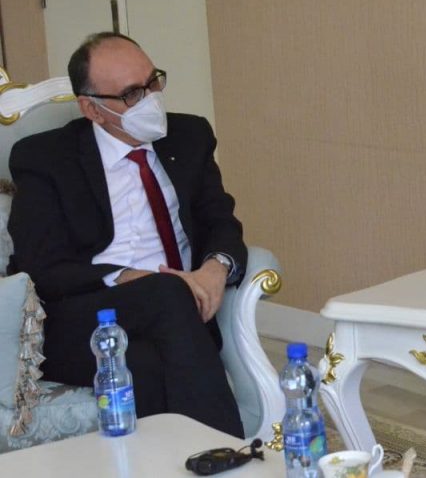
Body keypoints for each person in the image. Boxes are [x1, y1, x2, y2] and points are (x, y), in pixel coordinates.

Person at [7, 32, 247, 437]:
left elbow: (221, 220)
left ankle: (185, 460)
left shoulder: (190, 136)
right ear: (92, 109)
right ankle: (231, 453)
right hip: (82, 317)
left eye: (153, 82)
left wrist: (215, 268)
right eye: (132, 94)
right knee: (166, 293)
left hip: (179, 314)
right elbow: (41, 266)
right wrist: (130, 277)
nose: (151, 99)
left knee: (146, 365)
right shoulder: (46, 158)